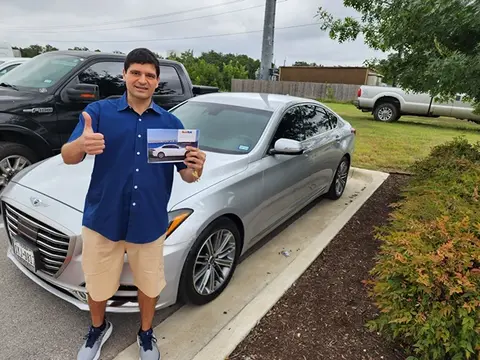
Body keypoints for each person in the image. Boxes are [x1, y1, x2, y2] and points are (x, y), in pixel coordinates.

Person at [61, 48, 206, 360]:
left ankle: (146, 333)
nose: (143, 79)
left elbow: (188, 175)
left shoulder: (171, 124)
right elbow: (68, 157)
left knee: (149, 284)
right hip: (103, 218)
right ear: (124, 75)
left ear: (156, 82)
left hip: (150, 222)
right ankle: (98, 328)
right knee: (98, 284)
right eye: (136, 73)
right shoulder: (99, 114)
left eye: (150, 75)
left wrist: (197, 166)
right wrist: (80, 145)